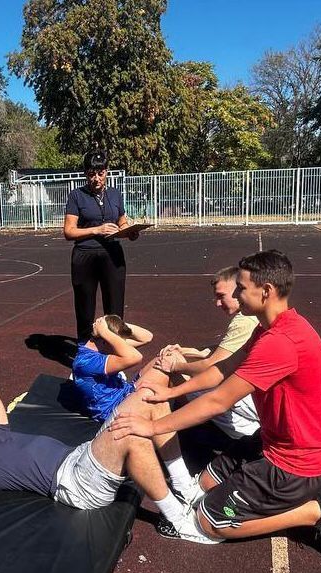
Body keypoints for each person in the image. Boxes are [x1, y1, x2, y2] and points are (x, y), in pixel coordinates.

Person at [109, 250, 321, 564]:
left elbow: (219, 400)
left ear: (266, 291)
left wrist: (152, 427)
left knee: (208, 522)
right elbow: (222, 370)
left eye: (241, 287)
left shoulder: (280, 343)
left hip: (292, 463)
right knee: (203, 485)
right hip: (275, 442)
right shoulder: (268, 329)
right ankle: (320, 481)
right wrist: (171, 392)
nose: (237, 294)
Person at [0, 378, 210, 542]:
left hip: (82, 455)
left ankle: (184, 485)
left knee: (148, 397)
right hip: (75, 484)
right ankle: (178, 521)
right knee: (132, 437)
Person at [155, 266, 260, 441]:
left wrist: (175, 366)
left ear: (238, 291)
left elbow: (212, 366)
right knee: (188, 372)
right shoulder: (253, 317)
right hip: (258, 394)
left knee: (185, 380)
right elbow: (219, 351)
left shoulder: (244, 321)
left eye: (221, 296)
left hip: (253, 398)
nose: (217, 303)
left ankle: (206, 434)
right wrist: (185, 351)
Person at [63, 150, 140, 342]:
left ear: (107, 171)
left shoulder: (115, 194)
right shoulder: (76, 196)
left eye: (100, 173)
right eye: (91, 174)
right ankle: (84, 349)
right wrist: (97, 230)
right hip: (85, 256)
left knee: (115, 309)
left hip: (112, 255)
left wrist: (130, 231)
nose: (96, 178)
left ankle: (115, 348)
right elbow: (69, 232)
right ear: (85, 174)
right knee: (85, 307)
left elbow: (122, 222)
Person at [72, 314, 153, 422]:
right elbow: (136, 357)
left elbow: (147, 337)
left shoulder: (102, 346)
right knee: (149, 394)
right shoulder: (88, 362)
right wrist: (105, 331)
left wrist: (115, 323)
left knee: (166, 358)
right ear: (106, 340)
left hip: (124, 392)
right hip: (111, 410)